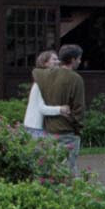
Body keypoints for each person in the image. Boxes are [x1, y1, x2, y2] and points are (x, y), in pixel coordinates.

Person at [35, 41, 88, 171]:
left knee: (51, 169)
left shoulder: (46, 75)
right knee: (68, 170)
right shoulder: (76, 79)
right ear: (72, 59)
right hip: (67, 131)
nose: (80, 61)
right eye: (79, 58)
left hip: (49, 130)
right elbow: (79, 109)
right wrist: (78, 128)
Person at [24, 48, 65, 138]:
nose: (58, 62)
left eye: (58, 59)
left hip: (38, 128)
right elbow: (42, 109)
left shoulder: (46, 81)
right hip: (35, 128)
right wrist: (61, 109)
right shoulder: (39, 84)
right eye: (54, 59)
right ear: (45, 63)